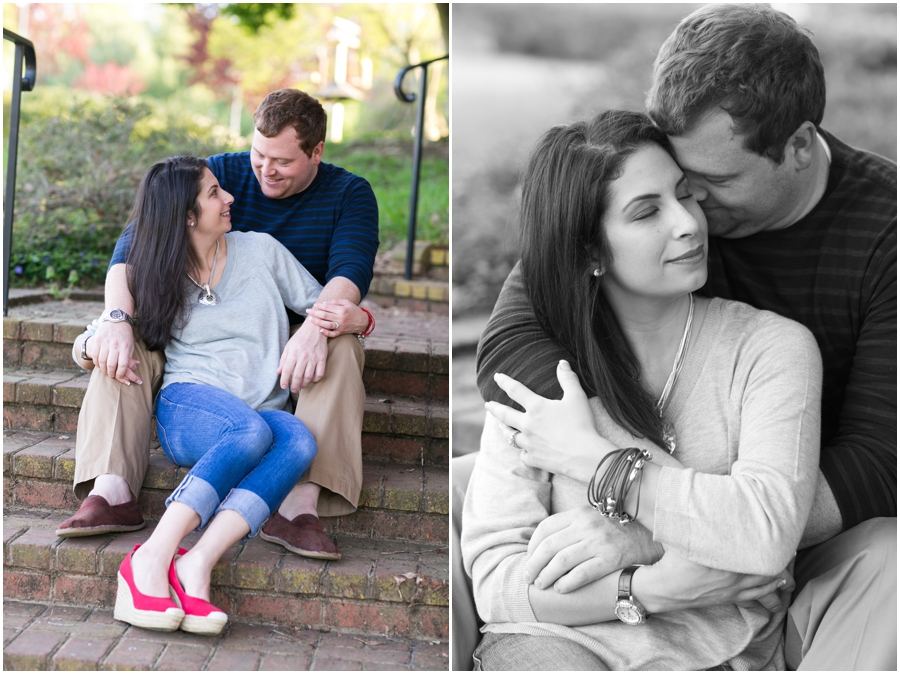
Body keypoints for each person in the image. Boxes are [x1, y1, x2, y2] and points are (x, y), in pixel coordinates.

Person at [466, 3, 896, 670]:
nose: (691, 214)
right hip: (629, 578)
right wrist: (643, 561)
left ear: (800, 145)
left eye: (708, 187)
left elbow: (877, 462)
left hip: (808, 519)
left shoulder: (881, 238)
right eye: (668, 185)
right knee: (473, 485)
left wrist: (635, 518)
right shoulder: (635, 209)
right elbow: (513, 341)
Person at [462, 109, 822, 670]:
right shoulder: (539, 373)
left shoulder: (770, 350)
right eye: (647, 211)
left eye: (686, 195)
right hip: (557, 647)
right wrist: (648, 587)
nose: (687, 223)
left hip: (723, 653)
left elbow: (765, 538)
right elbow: (498, 580)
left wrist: (619, 505)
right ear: (590, 253)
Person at [58, 89, 379, 562]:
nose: (263, 171)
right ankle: (111, 491)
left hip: (289, 332)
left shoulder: (346, 194)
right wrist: (115, 321)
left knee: (340, 344)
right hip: (192, 354)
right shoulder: (219, 175)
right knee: (124, 342)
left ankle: (298, 504)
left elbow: (349, 270)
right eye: (259, 154)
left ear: (316, 153)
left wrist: (325, 326)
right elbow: (138, 242)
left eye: (282, 161)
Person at [77, 156, 370, 634]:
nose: (230, 197)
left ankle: (197, 563)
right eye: (215, 193)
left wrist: (359, 320)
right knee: (250, 430)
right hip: (189, 405)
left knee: (297, 439)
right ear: (188, 216)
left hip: (256, 413)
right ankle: (151, 555)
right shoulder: (154, 271)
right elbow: (98, 334)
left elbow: (326, 311)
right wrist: (102, 338)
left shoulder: (262, 251)